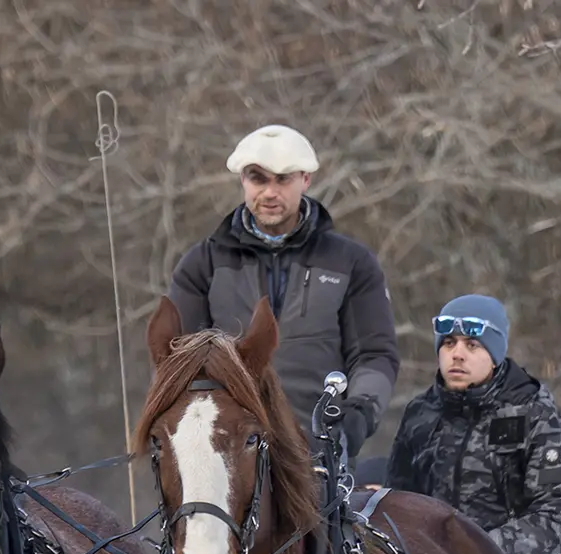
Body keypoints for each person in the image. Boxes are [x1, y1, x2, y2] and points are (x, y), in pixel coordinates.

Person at [168, 124, 400, 454]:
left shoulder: (352, 262)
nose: (270, 192)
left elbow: (374, 355)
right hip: (227, 452)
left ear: (305, 179)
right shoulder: (201, 264)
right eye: (258, 178)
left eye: (283, 179)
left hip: (318, 448)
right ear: (243, 181)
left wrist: (359, 413)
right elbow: (179, 360)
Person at [385, 294, 561, 554]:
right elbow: (400, 502)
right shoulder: (420, 414)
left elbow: (556, 518)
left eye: (472, 344)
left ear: (495, 353)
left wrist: (476, 546)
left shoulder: (532, 411)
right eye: (448, 343)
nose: (457, 354)